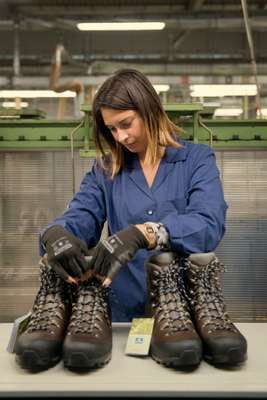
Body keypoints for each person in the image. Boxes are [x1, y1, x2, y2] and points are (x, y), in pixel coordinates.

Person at [16, 69, 247, 371]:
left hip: (183, 321)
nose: (121, 137)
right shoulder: (106, 169)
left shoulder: (196, 160)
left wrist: (147, 232)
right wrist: (56, 234)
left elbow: (209, 222)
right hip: (121, 317)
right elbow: (82, 213)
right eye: (112, 129)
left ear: (149, 109)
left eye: (126, 124)